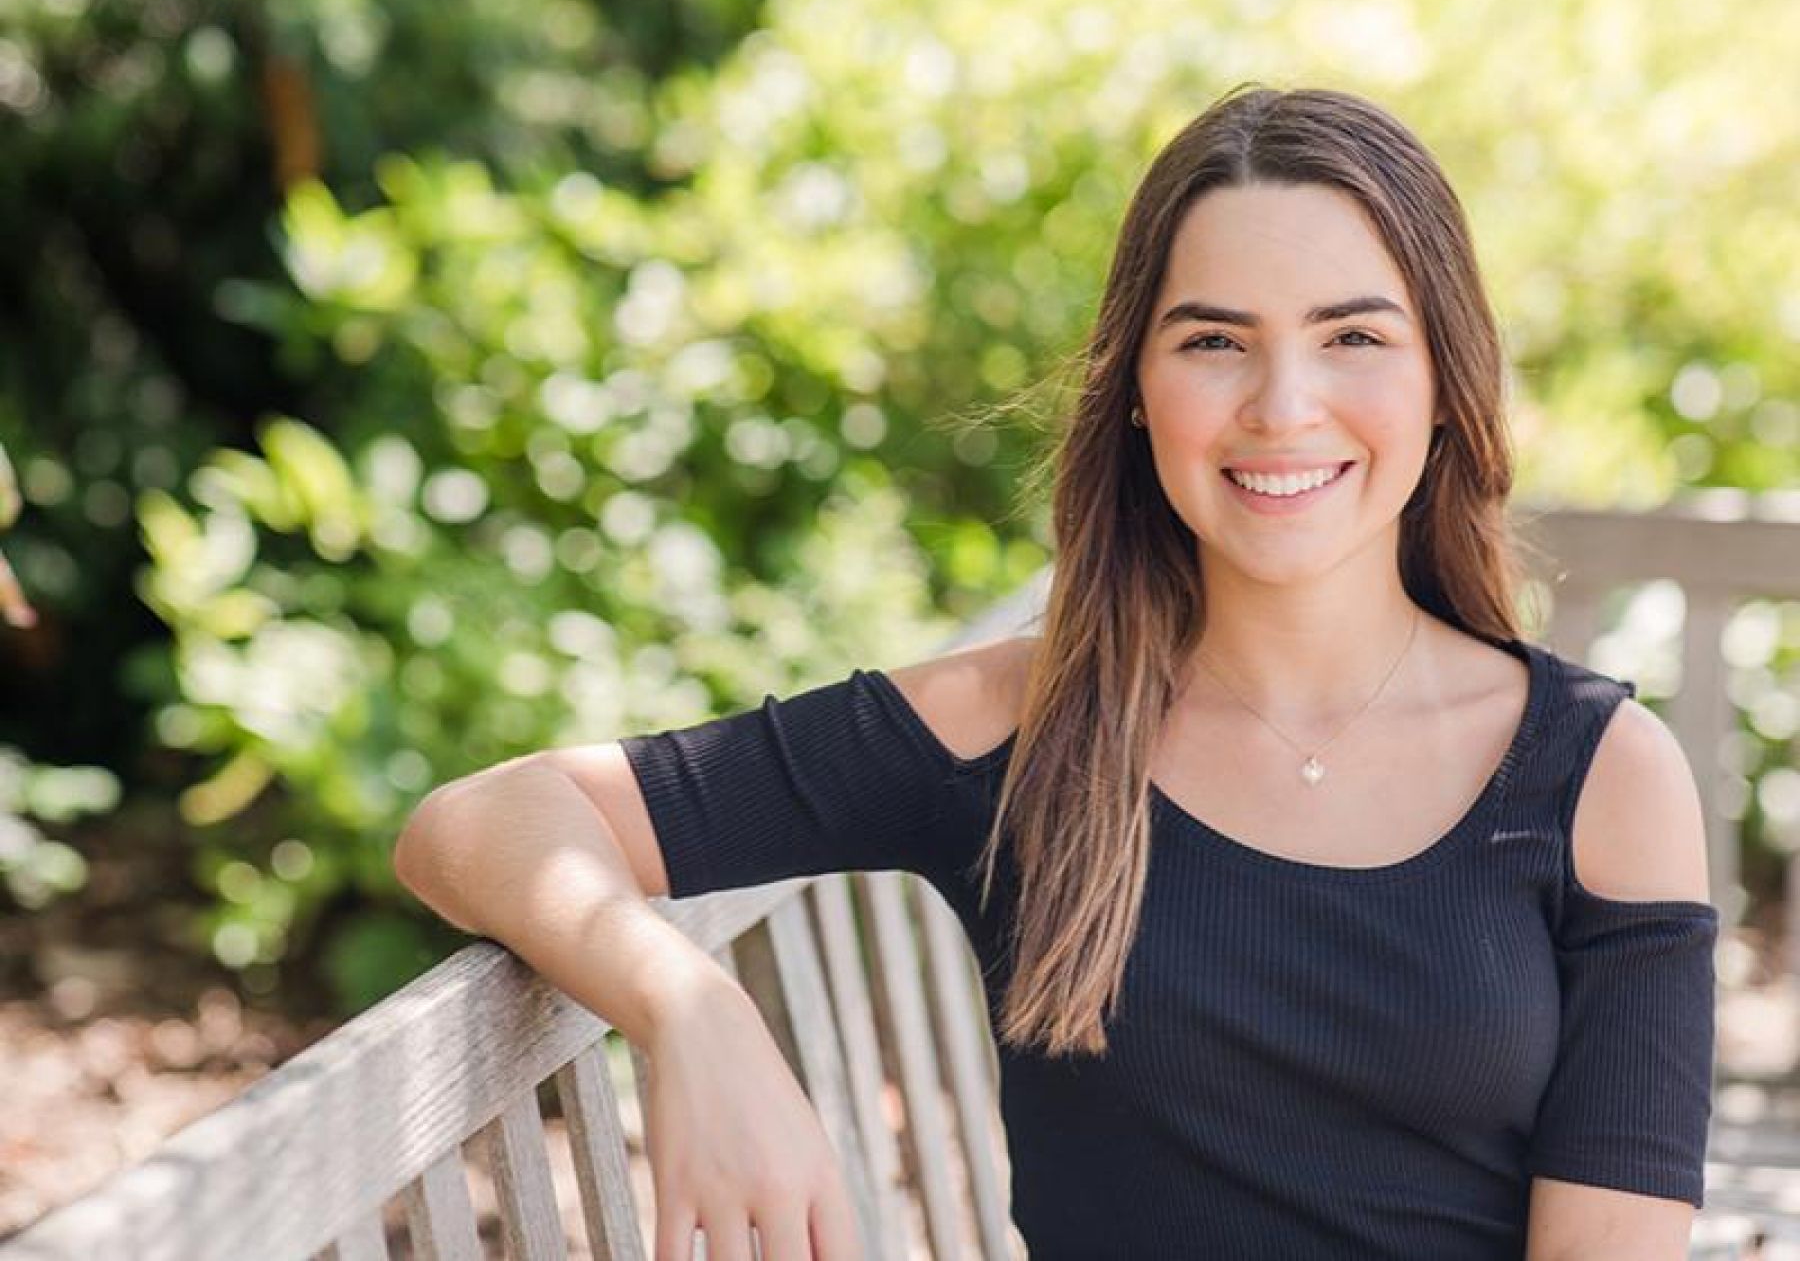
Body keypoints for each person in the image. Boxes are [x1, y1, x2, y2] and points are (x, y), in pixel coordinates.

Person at [392, 85, 1717, 1261]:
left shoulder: (1597, 779)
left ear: (1444, 380)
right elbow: (478, 822)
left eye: (1354, 336)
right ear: (1138, 388)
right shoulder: (1014, 728)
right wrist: (687, 1003)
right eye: (1213, 339)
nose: (1283, 403)